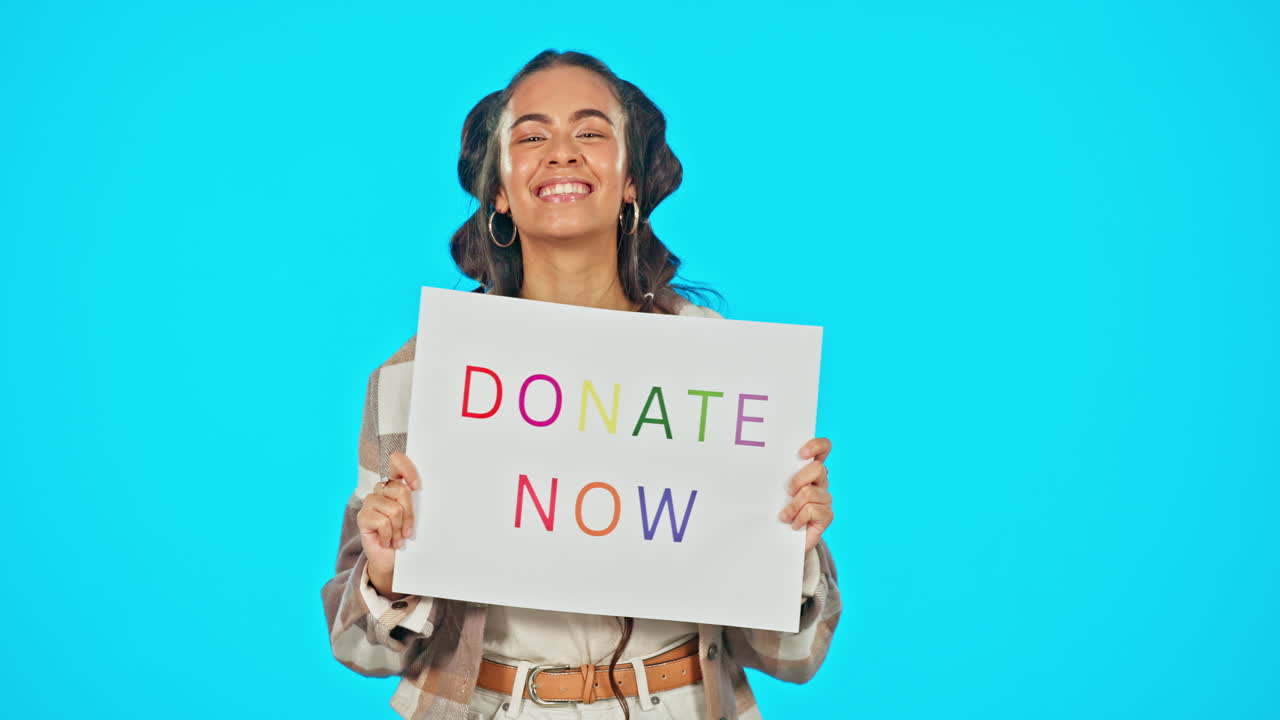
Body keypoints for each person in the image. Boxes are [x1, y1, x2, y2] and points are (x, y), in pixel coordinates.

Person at [322, 49, 841, 720]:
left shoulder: (722, 367)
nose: (561, 153)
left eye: (591, 132)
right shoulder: (419, 376)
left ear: (631, 181)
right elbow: (362, 652)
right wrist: (387, 576)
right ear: (500, 190)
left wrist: (786, 555)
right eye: (531, 135)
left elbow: (796, 659)